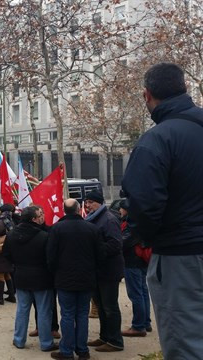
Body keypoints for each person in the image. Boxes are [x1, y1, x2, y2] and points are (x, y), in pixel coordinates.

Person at [121, 62, 203, 359]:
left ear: (147, 95)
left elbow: (144, 206)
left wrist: (140, 236)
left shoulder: (157, 140)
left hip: (181, 256)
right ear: (186, 89)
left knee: (186, 343)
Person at [47, 199, 102, 360]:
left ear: (64, 210)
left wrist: (55, 272)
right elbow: (100, 254)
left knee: (68, 315)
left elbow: (50, 256)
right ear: (79, 210)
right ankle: (82, 350)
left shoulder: (57, 229)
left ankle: (67, 351)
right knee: (82, 315)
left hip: (65, 279)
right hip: (86, 278)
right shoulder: (91, 228)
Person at [3, 205, 58, 352]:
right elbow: (51, 258)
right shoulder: (44, 236)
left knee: (22, 309)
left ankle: (19, 340)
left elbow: (6, 254)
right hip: (42, 278)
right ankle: (46, 343)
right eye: (40, 214)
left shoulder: (12, 234)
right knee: (44, 311)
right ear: (34, 219)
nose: (42, 216)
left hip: (21, 276)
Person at [83, 190, 124, 353]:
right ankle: (104, 336)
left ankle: (115, 341)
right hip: (98, 270)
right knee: (100, 305)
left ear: (99, 203)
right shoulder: (93, 219)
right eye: (86, 202)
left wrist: (94, 251)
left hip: (109, 270)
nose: (87, 205)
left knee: (110, 306)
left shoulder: (108, 219)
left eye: (91, 202)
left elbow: (115, 244)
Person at [119, 200, 151, 337]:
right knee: (143, 292)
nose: (119, 211)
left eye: (121, 208)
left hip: (132, 261)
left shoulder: (131, 224)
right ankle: (145, 322)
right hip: (143, 260)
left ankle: (138, 326)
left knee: (136, 294)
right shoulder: (143, 220)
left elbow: (124, 242)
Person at [0, 204, 17, 304]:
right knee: (7, 273)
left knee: (0, 272)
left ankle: (0, 298)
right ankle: (11, 295)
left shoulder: (1, 221)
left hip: (0, 250)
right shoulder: (10, 220)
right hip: (8, 248)